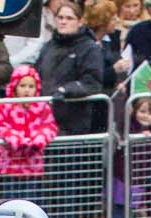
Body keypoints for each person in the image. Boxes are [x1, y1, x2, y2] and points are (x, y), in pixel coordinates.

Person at [36, 0, 104, 132]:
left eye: (69, 18)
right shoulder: (48, 46)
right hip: (44, 120)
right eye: (60, 17)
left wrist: (65, 90)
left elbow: (92, 83)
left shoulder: (90, 48)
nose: (63, 21)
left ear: (79, 22)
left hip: (73, 122)